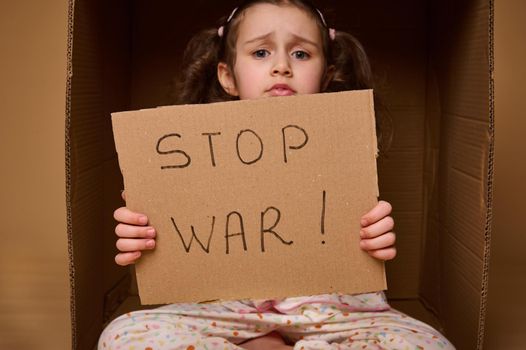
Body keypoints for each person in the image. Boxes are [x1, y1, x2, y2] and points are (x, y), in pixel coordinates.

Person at [99, 1, 454, 349]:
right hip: (221, 309)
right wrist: (141, 234)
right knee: (121, 336)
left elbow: (360, 233)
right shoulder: (188, 156)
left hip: (334, 310)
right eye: (261, 53)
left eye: (301, 54)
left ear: (327, 74)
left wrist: (375, 236)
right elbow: (170, 242)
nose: (282, 66)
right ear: (227, 76)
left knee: (430, 344)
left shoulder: (345, 147)